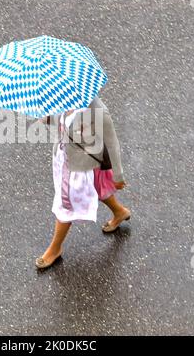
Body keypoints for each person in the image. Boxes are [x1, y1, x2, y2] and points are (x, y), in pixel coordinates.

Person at [35, 95, 131, 269]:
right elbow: (59, 121)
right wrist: (45, 115)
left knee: (66, 204)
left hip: (80, 168)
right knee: (98, 188)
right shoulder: (62, 98)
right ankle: (120, 212)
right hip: (64, 160)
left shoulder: (97, 110)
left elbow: (112, 143)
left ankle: (54, 248)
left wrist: (118, 176)